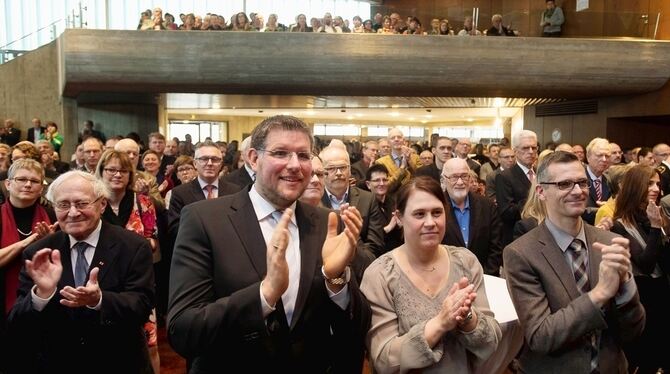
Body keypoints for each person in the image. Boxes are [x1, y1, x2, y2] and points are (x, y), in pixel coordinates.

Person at [167, 115, 371, 372]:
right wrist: (264, 295)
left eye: (304, 155)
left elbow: (357, 327)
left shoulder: (327, 224)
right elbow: (184, 330)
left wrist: (336, 280)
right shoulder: (204, 220)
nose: (295, 165)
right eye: (281, 153)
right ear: (253, 158)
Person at [504, 151, 645, 373]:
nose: (578, 191)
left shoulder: (611, 242)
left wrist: (626, 285)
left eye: (581, 182)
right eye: (564, 184)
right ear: (541, 191)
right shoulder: (522, 253)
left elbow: (632, 331)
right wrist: (599, 294)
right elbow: (540, 336)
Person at [7, 171, 155, 372]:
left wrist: (99, 300)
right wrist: (41, 295)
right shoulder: (39, 252)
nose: (73, 212)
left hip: (118, 362)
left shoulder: (133, 246)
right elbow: (18, 323)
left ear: (102, 204)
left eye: (82, 203)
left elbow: (142, 305)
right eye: (63, 205)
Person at [361, 176, 501, 372]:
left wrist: (467, 317)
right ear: (399, 218)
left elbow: (491, 342)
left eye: (437, 213)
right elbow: (384, 359)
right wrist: (440, 323)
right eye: (419, 214)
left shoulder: (465, 262)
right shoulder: (380, 274)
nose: (430, 222)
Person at [95, 150, 161, 373]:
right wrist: (134, 243)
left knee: (149, 344)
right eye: (111, 169)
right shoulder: (93, 203)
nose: (117, 174)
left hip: (138, 282)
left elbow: (152, 242)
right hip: (102, 283)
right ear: (101, 172)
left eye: (123, 170)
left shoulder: (144, 202)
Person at [611, 165, 670, 373]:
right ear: (636, 187)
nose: (656, 188)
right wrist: (656, 227)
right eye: (649, 184)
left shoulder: (658, 216)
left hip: (662, 294)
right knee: (644, 358)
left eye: (658, 184)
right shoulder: (620, 224)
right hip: (643, 298)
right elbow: (645, 263)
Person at [0, 159, 56, 366]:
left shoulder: (51, 215)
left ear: (41, 187)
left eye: (35, 181)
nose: (28, 185)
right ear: (8, 184)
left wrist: (50, 241)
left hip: (43, 299)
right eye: (21, 179)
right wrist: (28, 242)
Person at [320, 146, 385, 278]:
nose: (338, 173)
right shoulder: (314, 201)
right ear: (322, 172)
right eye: (332, 168)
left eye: (343, 167)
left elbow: (376, 247)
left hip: (360, 273)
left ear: (350, 170)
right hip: (322, 273)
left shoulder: (368, 199)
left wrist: (351, 248)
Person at [167, 140, 240, 240]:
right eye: (204, 159)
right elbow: (175, 229)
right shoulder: (180, 193)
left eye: (215, 159)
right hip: (195, 250)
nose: (210, 163)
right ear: (195, 163)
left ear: (221, 164)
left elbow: (240, 223)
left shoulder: (235, 191)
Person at [441, 158, 503, 276]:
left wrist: (484, 276)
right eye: (454, 177)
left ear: (470, 178)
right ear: (444, 180)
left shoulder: (487, 206)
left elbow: (496, 247)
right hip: (447, 281)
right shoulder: (436, 208)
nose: (460, 182)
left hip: (485, 278)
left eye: (464, 176)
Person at [496, 130, 538, 246]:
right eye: (525, 148)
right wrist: (536, 201)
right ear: (515, 151)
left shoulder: (541, 173)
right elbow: (506, 212)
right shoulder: (505, 176)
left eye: (534, 148)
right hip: (519, 238)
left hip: (542, 236)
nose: (530, 152)